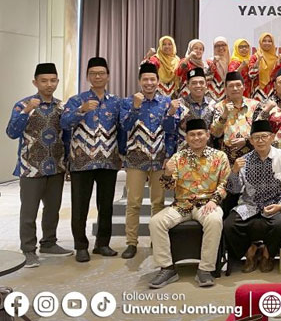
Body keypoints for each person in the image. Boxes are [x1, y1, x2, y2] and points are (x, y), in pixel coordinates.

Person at [148, 119, 230, 288]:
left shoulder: (219, 156)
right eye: (191, 135)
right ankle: (167, 268)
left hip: (207, 203)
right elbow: (168, 187)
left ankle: (205, 270)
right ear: (186, 138)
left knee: (214, 220)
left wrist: (214, 200)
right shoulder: (178, 158)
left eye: (200, 134)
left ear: (207, 135)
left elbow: (225, 184)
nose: (196, 138)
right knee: (156, 222)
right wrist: (168, 174)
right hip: (181, 206)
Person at [6, 63, 72, 267]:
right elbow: (11, 132)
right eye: (44, 80)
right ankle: (28, 250)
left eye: (53, 80)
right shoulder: (23, 104)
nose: (49, 84)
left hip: (56, 166)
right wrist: (26, 111)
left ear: (57, 82)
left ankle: (49, 243)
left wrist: (68, 163)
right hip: (31, 167)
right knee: (29, 211)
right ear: (35, 82)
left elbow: (67, 137)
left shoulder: (61, 107)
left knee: (52, 209)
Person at [61, 57, 123, 263]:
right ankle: (80, 246)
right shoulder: (75, 100)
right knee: (80, 205)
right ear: (88, 76)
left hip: (108, 160)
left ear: (108, 76)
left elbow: (122, 129)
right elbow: (64, 123)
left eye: (101, 73)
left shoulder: (116, 101)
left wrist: (121, 153)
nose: (98, 76)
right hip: (81, 161)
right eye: (93, 73)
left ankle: (102, 244)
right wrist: (81, 110)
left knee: (106, 205)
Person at [119, 63, 179, 260]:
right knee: (133, 202)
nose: (149, 82)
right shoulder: (129, 102)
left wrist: (169, 155)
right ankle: (131, 242)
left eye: (152, 79)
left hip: (159, 160)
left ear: (158, 81)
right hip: (136, 159)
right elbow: (125, 126)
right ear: (139, 81)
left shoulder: (165, 102)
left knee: (158, 202)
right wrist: (135, 108)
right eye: (145, 79)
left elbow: (171, 132)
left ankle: (157, 239)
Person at [224, 119, 281, 273]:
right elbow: (234, 190)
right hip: (250, 204)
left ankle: (268, 254)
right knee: (229, 225)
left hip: (275, 202)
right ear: (251, 141)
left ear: (272, 137)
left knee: (279, 224)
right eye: (256, 138)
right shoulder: (244, 161)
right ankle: (250, 252)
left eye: (264, 136)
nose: (260, 141)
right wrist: (233, 172)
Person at [210, 71, 261, 184]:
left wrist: (246, 140)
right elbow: (215, 133)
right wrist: (224, 114)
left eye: (238, 85)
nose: (235, 88)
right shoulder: (219, 107)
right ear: (226, 89)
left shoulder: (255, 105)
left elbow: (261, 129)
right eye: (231, 86)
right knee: (229, 191)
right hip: (227, 157)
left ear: (243, 87)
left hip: (252, 154)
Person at [171, 67, 216, 153]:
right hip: (184, 153)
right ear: (188, 85)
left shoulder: (213, 104)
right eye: (194, 83)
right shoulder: (179, 104)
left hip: (208, 154)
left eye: (201, 82)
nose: (198, 85)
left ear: (206, 85)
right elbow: (171, 130)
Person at [244, 33, 279, 101]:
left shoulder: (276, 59)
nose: (267, 43)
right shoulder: (255, 57)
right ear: (260, 42)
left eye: (269, 41)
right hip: (258, 92)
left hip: (273, 92)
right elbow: (251, 76)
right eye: (264, 41)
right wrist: (258, 62)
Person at [207, 36, 230, 102]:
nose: (221, 48)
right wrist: (213, 64)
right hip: (212, 97)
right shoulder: (209, 61)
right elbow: (206, 79)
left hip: (227, 97)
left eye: (223, 45)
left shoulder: (231, 62)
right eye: (217, 46)